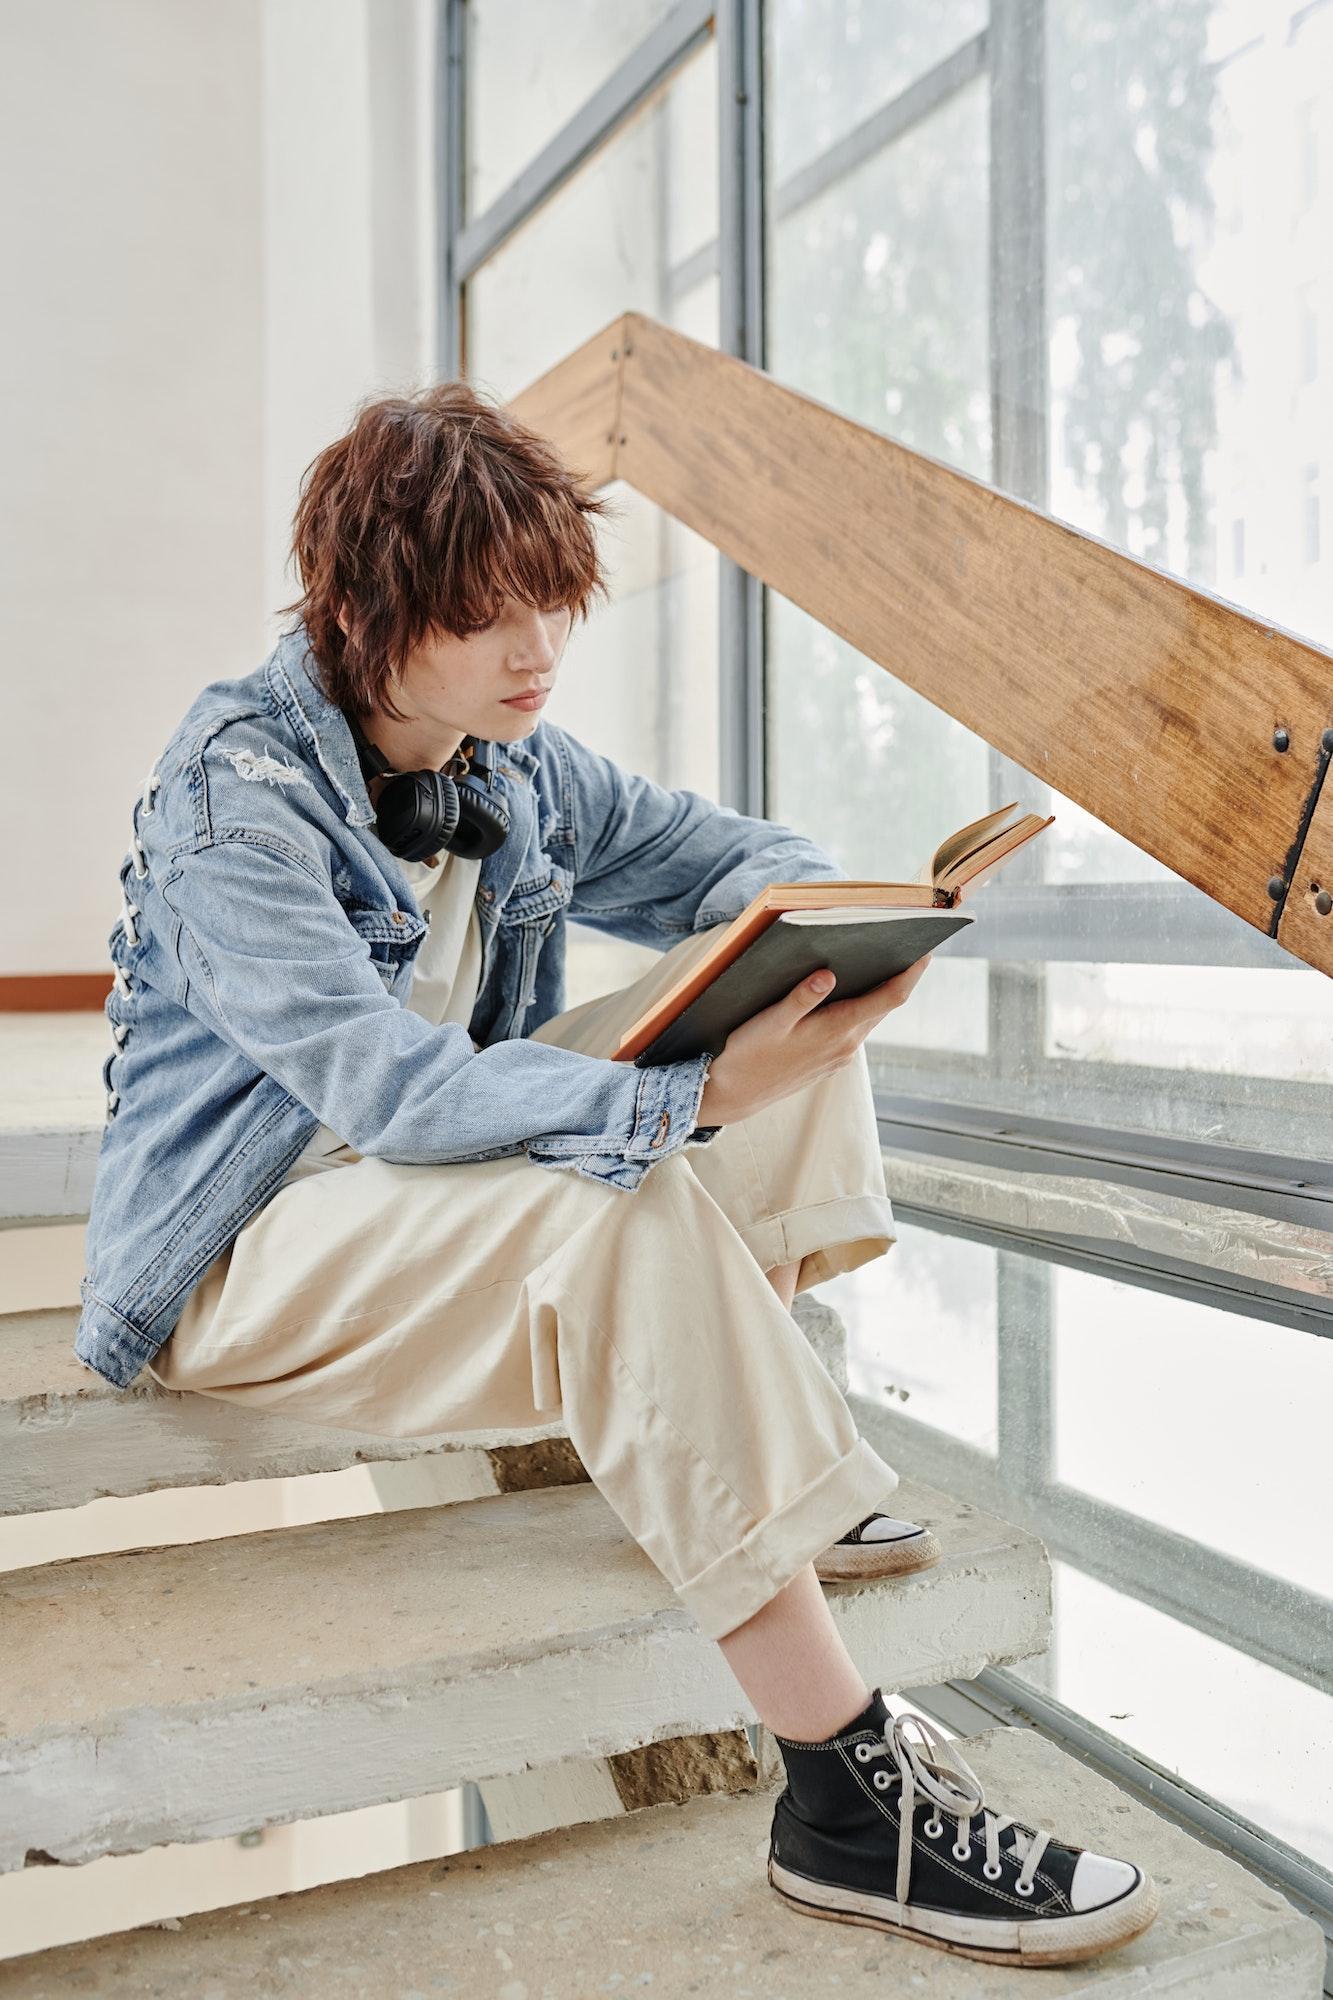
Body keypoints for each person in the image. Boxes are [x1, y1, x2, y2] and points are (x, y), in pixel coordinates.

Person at [76, 383, 1157, 1967]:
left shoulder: (508, 762)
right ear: (369, 608)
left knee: (781, 1018)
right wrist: (697, 1082)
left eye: (550, 612)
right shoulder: (234, 805)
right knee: (625, 1182)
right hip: (250, 1245)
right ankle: (849, 1807)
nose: (535, 655)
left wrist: (839, 934)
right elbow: (396, 1089)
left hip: (415, 1193)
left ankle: (733, 1448)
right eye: (489, 616)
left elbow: (731, 857)